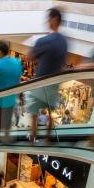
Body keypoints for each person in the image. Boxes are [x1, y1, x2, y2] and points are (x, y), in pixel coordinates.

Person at [27, 8, 67, 142]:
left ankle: (33, 138)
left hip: (40, 82)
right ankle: (48, 139)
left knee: (33, 113)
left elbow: (29, 57)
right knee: (50, 113)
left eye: (48, 18)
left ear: (54, 19)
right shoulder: (64, 41)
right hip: (54, 83)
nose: (47, 21)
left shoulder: (44, 41)